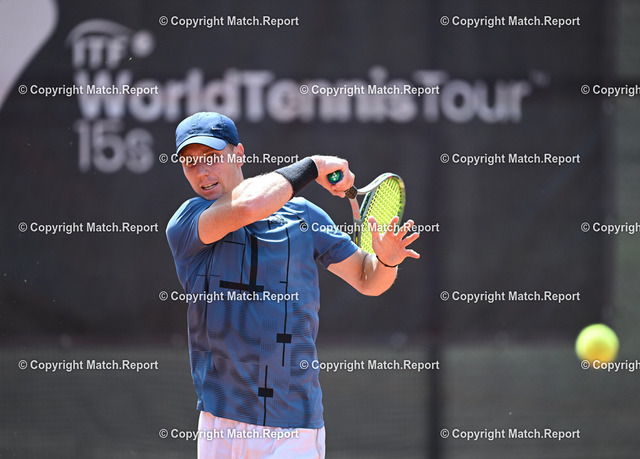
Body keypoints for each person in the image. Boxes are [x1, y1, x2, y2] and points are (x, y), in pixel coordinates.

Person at [166, 112, 420, 458]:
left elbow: (368, 278)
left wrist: (387, 261)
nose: (202, 172)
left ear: (238, 154)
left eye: (211, 157)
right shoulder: (186, 223)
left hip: (293, 429)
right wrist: (314, 166)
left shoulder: (304, 216)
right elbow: (248, 206)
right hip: (220, 423)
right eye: (190, 163)